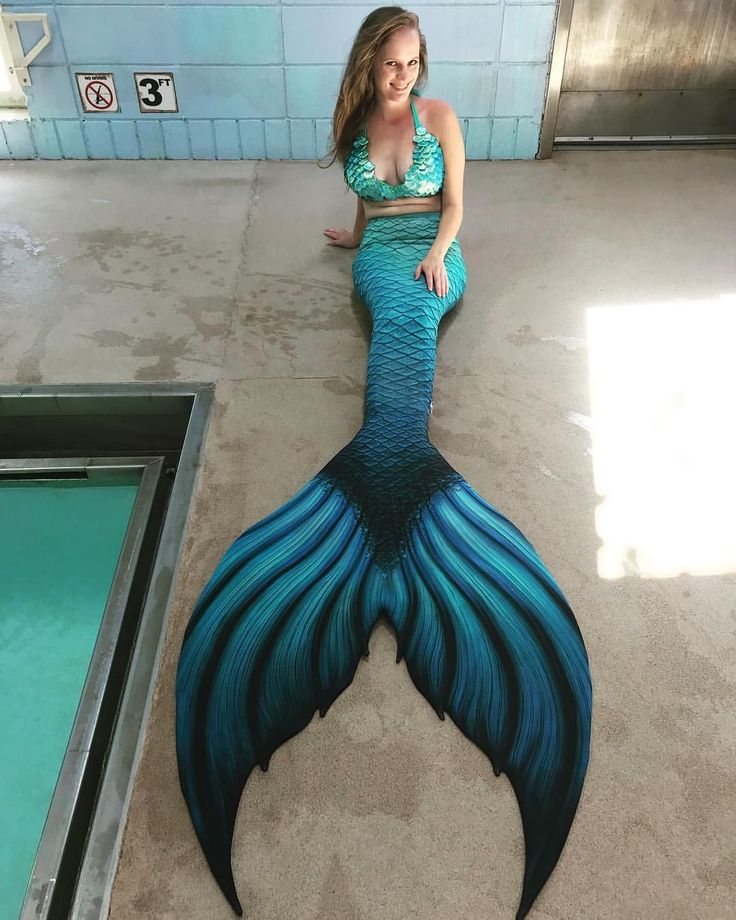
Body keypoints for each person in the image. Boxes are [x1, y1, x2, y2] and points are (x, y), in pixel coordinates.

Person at [175, 8, 592, 920]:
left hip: (434, 259)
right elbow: (369, 201)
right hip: (380, 257)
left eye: (412, 63)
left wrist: (441, 257)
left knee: (410, 319)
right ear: (369, 64)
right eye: (390, 63)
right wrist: (353, 239)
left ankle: (388, 477)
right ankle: (390, 481)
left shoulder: (442, 118)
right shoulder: (356, 125)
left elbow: (455, 209)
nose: (402, 76)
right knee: (387, 313)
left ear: (420, 67)